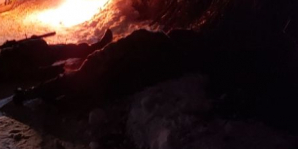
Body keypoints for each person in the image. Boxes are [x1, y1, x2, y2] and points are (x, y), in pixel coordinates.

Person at [12, 29, 204, 104]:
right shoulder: (168, 64)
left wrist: (97, 59)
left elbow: (118, 50)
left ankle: (31, 95)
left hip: (106, 73)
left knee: (70, 82)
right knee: (71, 84)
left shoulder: (149, 40)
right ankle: (38, 95)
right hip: (113, 80)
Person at [0, 29, 114, 85]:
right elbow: (29, 73)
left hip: (39, 50)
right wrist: (54, 71)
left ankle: (94, 47)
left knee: (68, 49)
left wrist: (16, 43)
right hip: (42, 55)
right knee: (69, 50)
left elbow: (12, 48)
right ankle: (97, 47)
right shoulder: (2, 65)